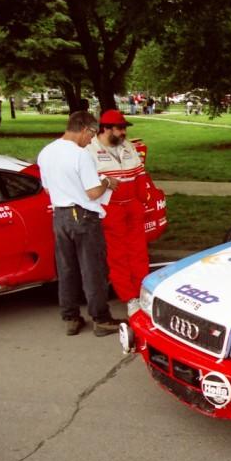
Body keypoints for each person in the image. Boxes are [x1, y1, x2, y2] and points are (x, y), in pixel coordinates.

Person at [37, 111, 124, 337]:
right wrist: (107, 182)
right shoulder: (80, 155)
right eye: (92, 134)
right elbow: (93, 192)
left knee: (66, 268)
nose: (91, 140)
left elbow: (47, 188)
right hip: (83, 215)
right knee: (93, 268)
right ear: (85, 129)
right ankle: (101, 319)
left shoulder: (46, 152)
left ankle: (71, 316)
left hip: (60, 215)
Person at [86, 109, 150, 313]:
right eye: (120, 128)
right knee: (118, 256)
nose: (124, 132)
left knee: (139, 251)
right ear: (106, 128)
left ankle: (143, 292)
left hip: (132, 207)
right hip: (110, 209)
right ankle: (130, 298)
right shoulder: (89, 151)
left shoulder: (128, 147)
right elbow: (87, 184)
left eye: (124, 128)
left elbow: (140, 174)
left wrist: (143, 199)